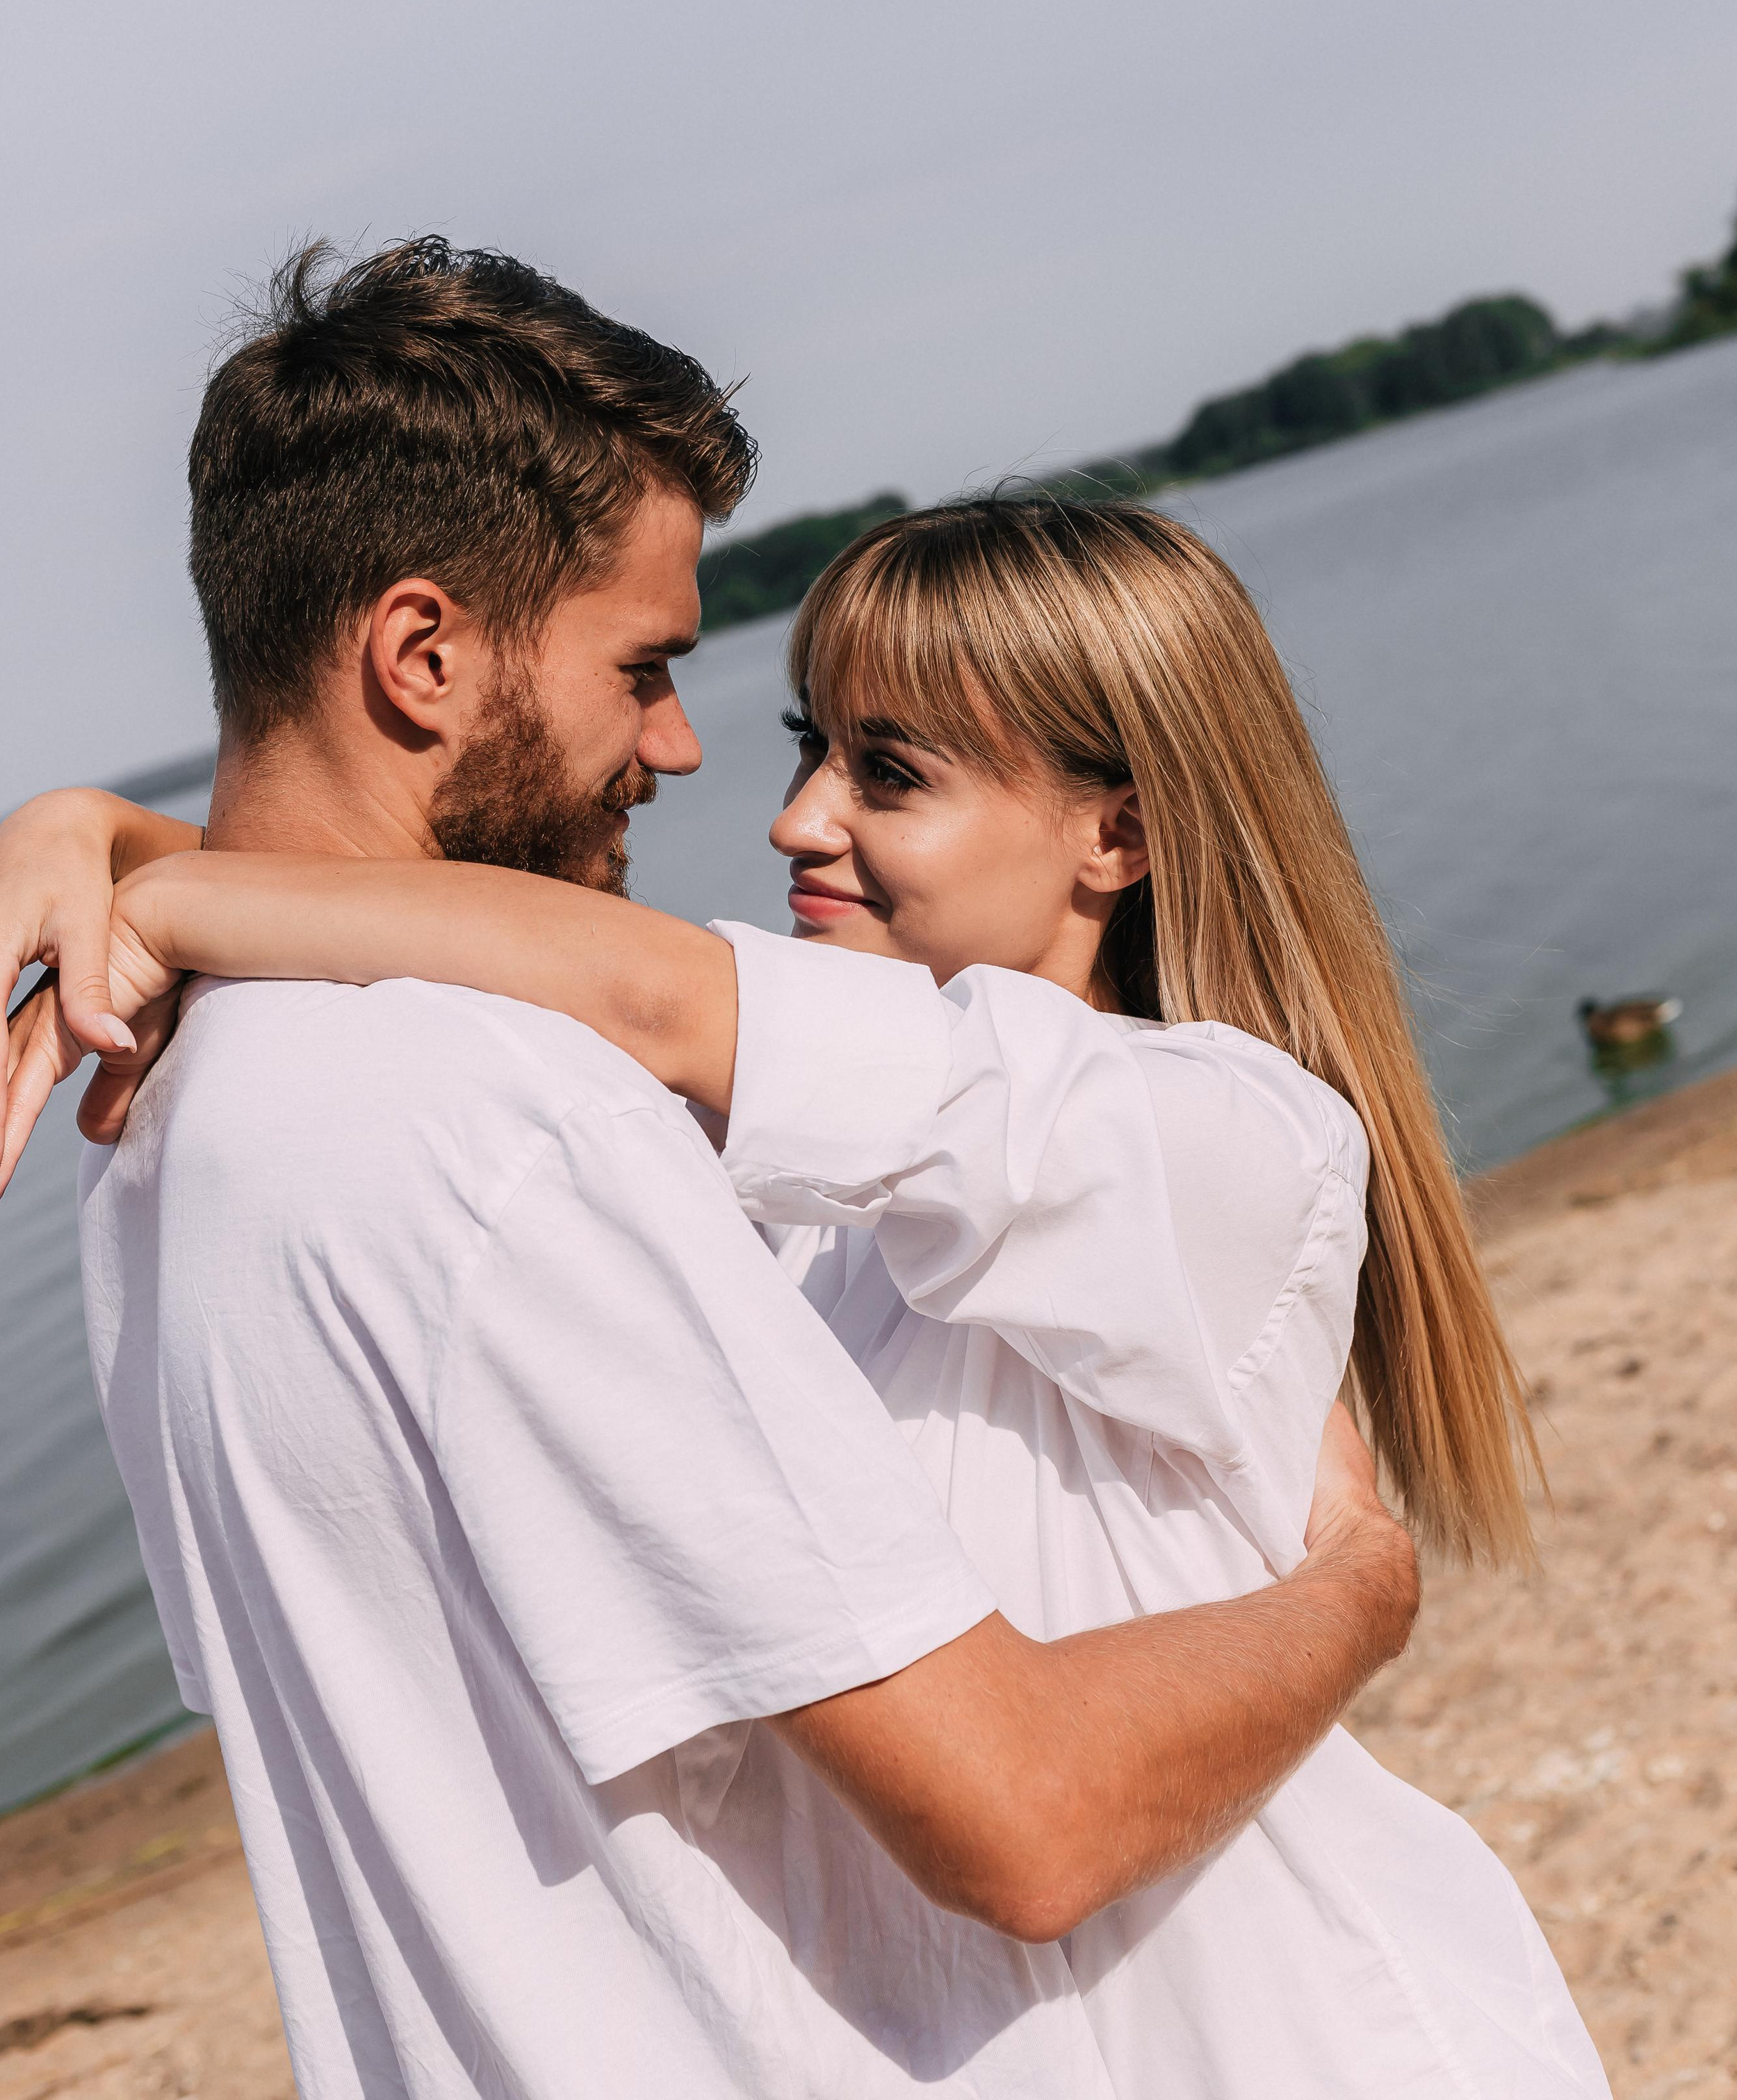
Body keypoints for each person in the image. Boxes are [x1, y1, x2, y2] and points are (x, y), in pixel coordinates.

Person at [0, 241, 1419, 2100]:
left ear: (1120, 835)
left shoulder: (172, 1116)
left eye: (885, 770)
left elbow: (664, 1000)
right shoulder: (531, 1130)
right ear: (423, 656)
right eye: (654, 673)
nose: (742, 787)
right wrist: (1359, 1590)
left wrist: (137, 856)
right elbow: (1025, 1814)